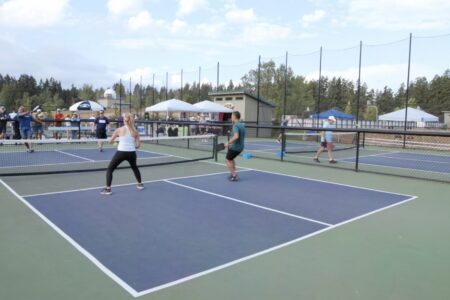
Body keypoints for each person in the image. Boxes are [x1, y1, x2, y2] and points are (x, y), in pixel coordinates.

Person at [101, 114, 144, 195]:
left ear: (124, 121)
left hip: (121, 152)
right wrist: (131, 146)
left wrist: (116, 144)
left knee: (110, 169)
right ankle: (140, 184)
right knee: (134, 167)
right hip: (132, 153)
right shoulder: (135, 132)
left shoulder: (119, 129)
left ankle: (108, 189)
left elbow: (110, 141)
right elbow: (138, 146)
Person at [224, 111, 245, 182]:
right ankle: (233, 173)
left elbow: (236, 136)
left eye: (231, 116)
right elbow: (239, 137)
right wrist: (232, 144)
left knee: (227, 160)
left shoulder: (235, 125)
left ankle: (234, 175)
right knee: (231, 159)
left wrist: (228, 142)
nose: (231, 118)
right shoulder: (242, 125)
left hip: (236, 147)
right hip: (240, 147)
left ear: (234, 117)